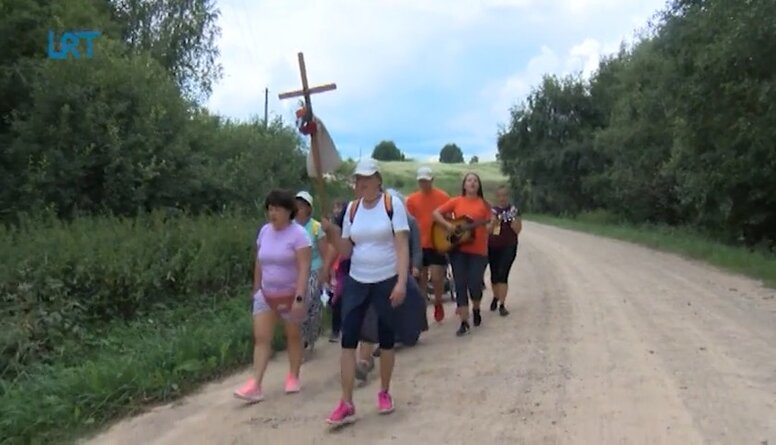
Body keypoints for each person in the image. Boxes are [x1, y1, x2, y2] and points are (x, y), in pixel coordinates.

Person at [322, 158, 410, 426]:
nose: (363, 182)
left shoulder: (391, 205)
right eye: (359, 179)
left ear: (378, 180)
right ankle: (346, 402)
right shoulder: (351, 210)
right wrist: (332, 234)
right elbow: (347, 250)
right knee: (348, 340)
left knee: (385, 340)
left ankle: (384, 392)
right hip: (357, 280)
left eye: (368, 178)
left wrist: (402, 282)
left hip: (386, 278)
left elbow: (402, 246)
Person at [234, 189, 312, 403]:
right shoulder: (264, 232)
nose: (272, 213)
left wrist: (299, 296)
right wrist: (257, 288)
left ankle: (293, 375)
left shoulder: (299, 235)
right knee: (261, 338)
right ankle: (256, 384)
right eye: (270, 209)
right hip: (266, 293)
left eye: (277, 209)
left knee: (293, 336)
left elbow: (304, 267)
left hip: (290, 293)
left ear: (289, 211)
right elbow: (260, 261)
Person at [432, 172, 494, 336]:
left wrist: (493, 223)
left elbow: (489, 229)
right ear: (464, 185)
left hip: (478, 251)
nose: (472, 183)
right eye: (469, 180)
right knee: (460, 284)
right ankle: (464, 322)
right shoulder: (456, 201)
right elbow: (436, 213)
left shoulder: (485, 205)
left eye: (475, 181)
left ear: (479, 185)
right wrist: (449, 225)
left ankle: (476, 308)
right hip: (458, 250)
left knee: (474, 283)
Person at [405, 166, 451, 322]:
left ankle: (438, 301)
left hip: (437, 242)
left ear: (432, 180)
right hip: (419, 244)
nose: (423, 184)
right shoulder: (411, 200)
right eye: (421, 181)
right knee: (421, 278)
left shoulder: (443, 197)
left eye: (426, 181)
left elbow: (450, 217)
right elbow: (409, 222)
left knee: (437, 276)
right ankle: (421, 308)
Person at [294, 191, 328, 356]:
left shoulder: (316, 227)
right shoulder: (290, 226)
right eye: (296, 205)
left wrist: (325, 273)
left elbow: (324, 251)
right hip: (295, 272)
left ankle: (310, 337)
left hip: (314, 269)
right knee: (300, 307)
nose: (298, 208)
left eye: (302, 206)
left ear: (308, 208)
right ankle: (302, 341)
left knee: (310, 306)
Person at [488, 185, 522, 316]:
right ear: (496, 197)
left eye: (505, 195)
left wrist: (513, 221)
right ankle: (495, 297)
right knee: (494, 275)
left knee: (503, 274)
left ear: (508, 196)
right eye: (500, 195)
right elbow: (490, 231)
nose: (502, 198)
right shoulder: (492, 211)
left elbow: (518, 230)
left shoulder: (514, 210)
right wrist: (494, 222)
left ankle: (502, 304)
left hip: (509, 245)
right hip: (493, 245)